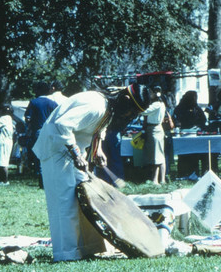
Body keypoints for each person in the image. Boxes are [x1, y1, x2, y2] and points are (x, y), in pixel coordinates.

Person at [32, 83, 155, 262]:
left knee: (85, 198)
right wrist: (75, 153)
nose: (130, 115)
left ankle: (88, 247)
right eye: (132, 111)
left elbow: (99, 127)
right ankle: (67, 253)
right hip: (56, 148)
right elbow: (61, 125)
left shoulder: (108, 107)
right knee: (65, 201)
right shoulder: (95, 105)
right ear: (126, 100)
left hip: (74, 149)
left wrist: (97, 150)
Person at [24, 82, 58, 187]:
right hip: (51, 132)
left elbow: (28, 118)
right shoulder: (53, 103)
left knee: (40, 156)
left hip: (38, 131)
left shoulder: (34, 103)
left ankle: (42, 182)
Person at [173, 90, 208, 177]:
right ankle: (182, 173)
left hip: (195, 135)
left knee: (195, 154)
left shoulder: (197, 108)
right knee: (184, 155)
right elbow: (176, 120)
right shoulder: (179, 108)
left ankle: (194, 172)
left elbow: (203, 120)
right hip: (183, 135)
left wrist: (199, 127)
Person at [141, 87, 166, 184]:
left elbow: (144, 112)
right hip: (157, 129)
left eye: (151, 93)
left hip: (154, 129)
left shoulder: (156, 104)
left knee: (156, 156)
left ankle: (155, 180)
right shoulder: (161, 103)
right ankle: (162, 179)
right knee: (160, 155)